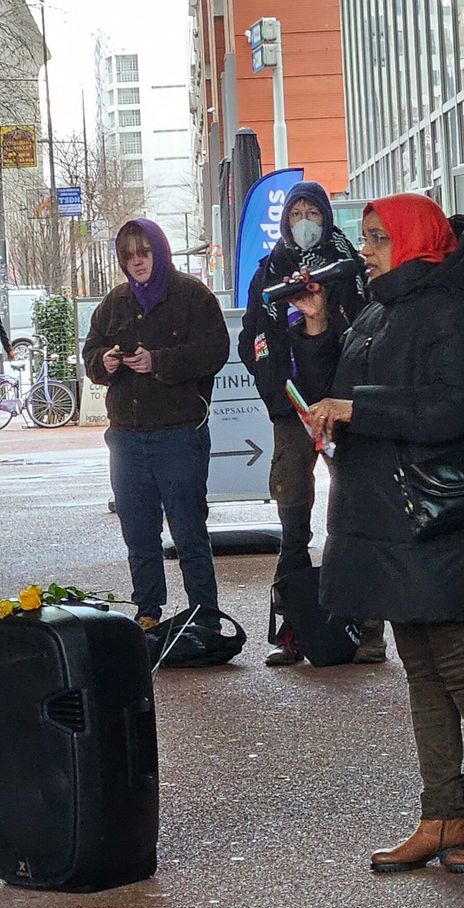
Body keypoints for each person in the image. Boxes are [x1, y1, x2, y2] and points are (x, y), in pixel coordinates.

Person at [307, 193, 464, 874]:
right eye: (365, 237)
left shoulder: (457, 315)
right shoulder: (380, 309)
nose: (366, 249)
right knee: (421, 665)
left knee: (462, 666)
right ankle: (442, 815)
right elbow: (348, 393)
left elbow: (452, 408)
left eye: (380, 237)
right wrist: (322, 331)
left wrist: (358, 406)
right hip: (396, 516)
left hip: (444, 519)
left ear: (417, 240)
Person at [238, 180, 386, 667]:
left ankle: (367, 628)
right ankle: (293, 627)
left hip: (343, 410)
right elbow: (251, 340)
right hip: (290, 411)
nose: (304, 219)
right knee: (293, 521)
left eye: (313, 211)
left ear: (325, 217)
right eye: (296, 210)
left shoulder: (349, 266)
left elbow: (368, 332)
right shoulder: (268, 271)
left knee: (355, 516)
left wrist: (324, 322)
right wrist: (273, 385)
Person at [83, 219, 229, 631]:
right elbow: (91, 352)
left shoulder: (192, 296)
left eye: (144, 252)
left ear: (158, 252)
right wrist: (104, 363)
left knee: (188, 530)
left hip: (179, 431)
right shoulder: (114, 303)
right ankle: (147, 612)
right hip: (126, 436)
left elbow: (215, 349)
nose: (136, 262)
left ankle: (206, 615)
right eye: (128, 255)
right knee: (138, 530)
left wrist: (158, 361)